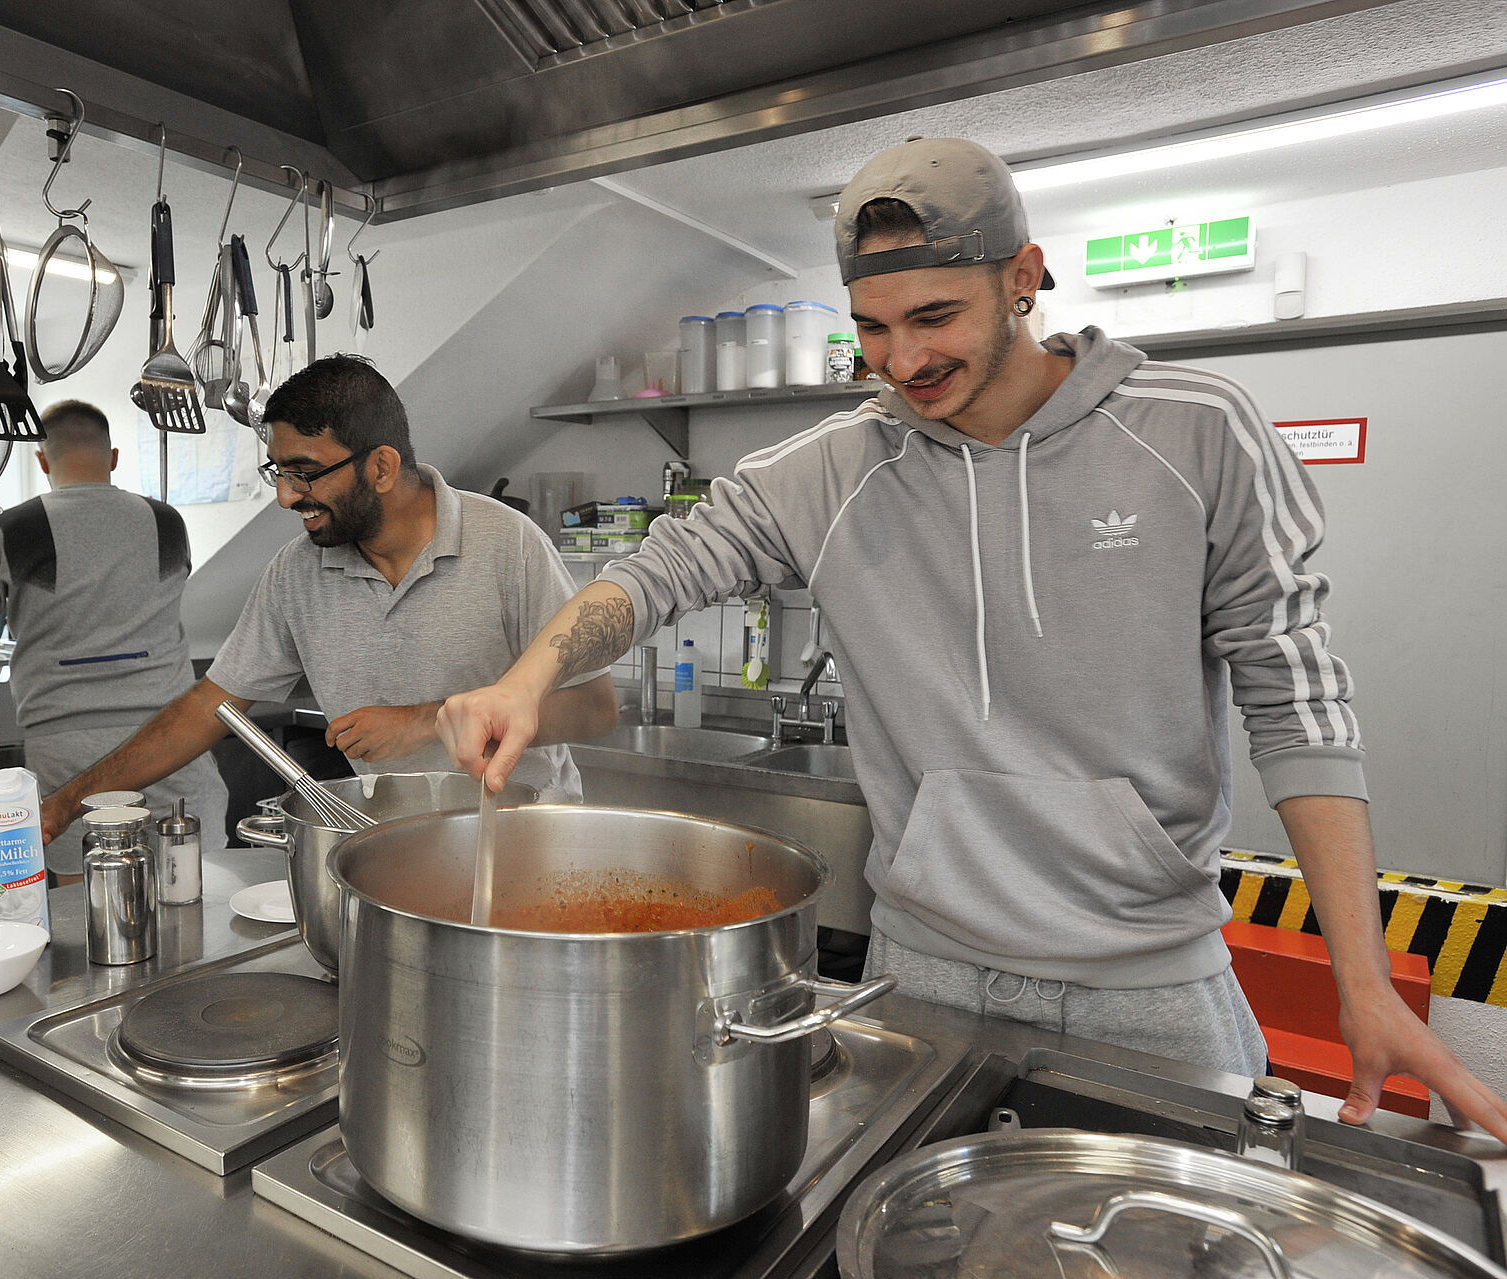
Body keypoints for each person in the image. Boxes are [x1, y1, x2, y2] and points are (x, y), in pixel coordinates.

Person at [437, 137, 1507, 1142]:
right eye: (873, 327)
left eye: (934, 316)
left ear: (1025, 276)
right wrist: (528, 679)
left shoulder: (1197, 430)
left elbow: (1299, 701)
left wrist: (1362, 984)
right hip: (928, 975)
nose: (902, 359)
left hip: (1151, 985)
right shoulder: (834, 469)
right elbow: (658, 571)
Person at [33, 354, 617, 846]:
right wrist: (64, 805)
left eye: (305, 473)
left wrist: (426, 722)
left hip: (530, 845)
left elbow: (594, 707)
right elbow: (206, 709)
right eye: (278, 472)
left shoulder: (507, 544)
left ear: (382, 467)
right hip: (394, 852)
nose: (287, 497)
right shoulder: (296, 573)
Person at [0, 400, 228, 880]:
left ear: (42, 461)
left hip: (68, 758)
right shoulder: (167, 523)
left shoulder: (11, 531)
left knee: (93, 916)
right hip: (172, 744)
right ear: (112, 458)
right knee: (194, 903)